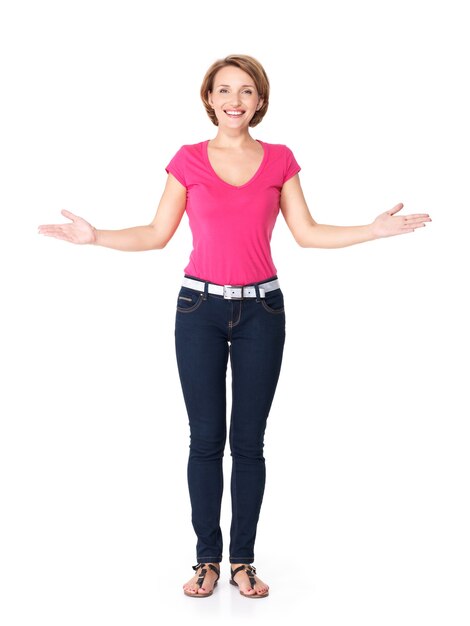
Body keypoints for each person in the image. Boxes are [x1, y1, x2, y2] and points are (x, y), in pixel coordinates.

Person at [37, 54, 432, 599]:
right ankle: (206, 562)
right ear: (209, 99)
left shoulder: (280, 160)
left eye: (246, 91)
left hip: (262, 314)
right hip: (198, 311)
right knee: (205, 440)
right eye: (224, 90)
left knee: (248, 443)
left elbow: (308, 233)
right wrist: (96, 236)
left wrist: (373, 229)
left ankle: (242, 560)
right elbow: (156, 233)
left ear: (260, 101)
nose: (235, 100)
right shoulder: (188, 161)